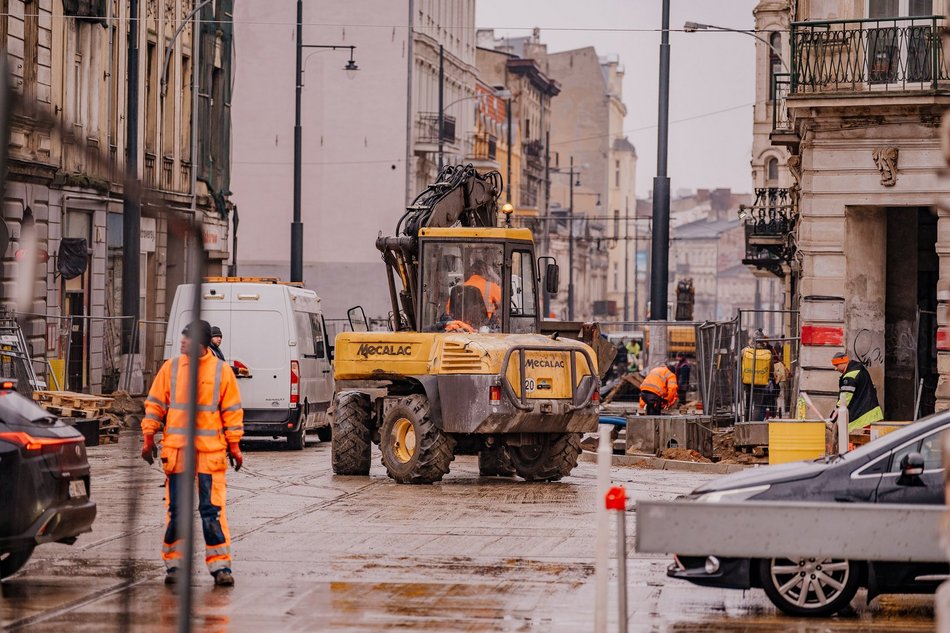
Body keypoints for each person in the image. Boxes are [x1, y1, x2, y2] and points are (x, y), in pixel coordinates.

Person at [142, 320, 245, 587]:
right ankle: (174, 566)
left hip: (209, 455)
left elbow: (232, 412)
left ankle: (220, 567)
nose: (182, 343)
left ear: (201, 343)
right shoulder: (171, 368)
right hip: (177, 453)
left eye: (186, 339)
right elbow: (155, 404)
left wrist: (234, 445)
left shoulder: (222, 372)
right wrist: (147, 436)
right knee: (177, 511)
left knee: (211, 511)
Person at [831, 352, 883, 431]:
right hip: (872, 414)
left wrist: (834, 414)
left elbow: (845, 399)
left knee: (857, 442)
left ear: (843, 362)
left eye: (836, 365)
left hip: (862, 419)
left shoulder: (850, 376)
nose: (835, 368)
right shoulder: (859, 369)